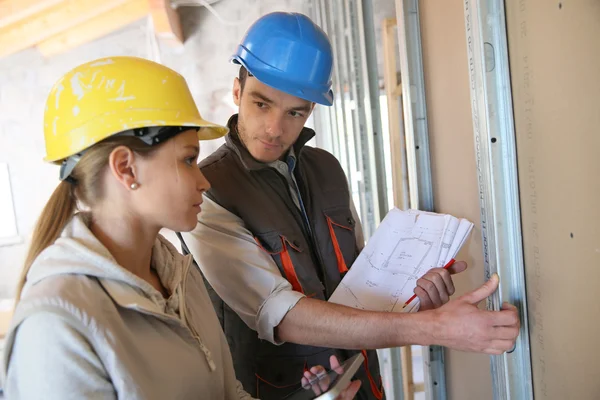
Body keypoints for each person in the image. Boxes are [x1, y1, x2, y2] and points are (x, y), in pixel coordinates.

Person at [178, 11, 521, 400]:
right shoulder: (208, 191)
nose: (275, 129)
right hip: (288, 392)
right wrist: (438, 328)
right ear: (237, 91)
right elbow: (279, 315)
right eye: (261, 103)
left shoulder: (326, 169)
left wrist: (415, 300)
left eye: (296, 112)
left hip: (362, 382)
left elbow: (360, 287)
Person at [0, 56, 359, 400]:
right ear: (126, 168)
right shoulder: (55, 326)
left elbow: (227, 395)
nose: (203, 179)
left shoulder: (179, 276)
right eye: (188, 159)